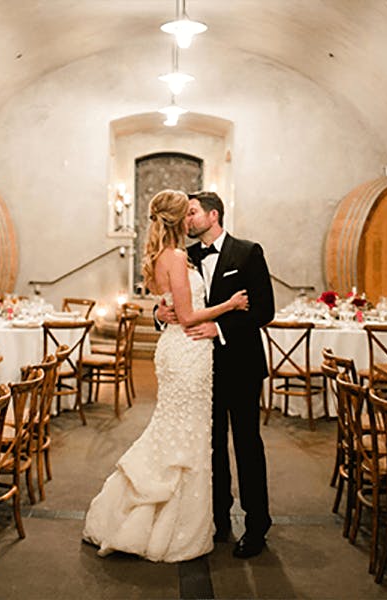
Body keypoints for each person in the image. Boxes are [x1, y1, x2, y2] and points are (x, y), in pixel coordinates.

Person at [82, 190, 249, 562]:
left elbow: (171, 305)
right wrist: (230, 305)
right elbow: (188, 316)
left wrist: (163, 309)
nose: (192, 219)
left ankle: (179, 520)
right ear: (180, 221)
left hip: (184, 351)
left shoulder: (169, 257)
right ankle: (168, 528)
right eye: (188, 213)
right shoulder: (175, 257)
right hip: (187, 351)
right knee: (185, 434)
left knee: (182, 432)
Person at [157, 190, 275, 558]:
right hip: (199, 369)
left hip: (240, 365)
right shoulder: (185, 257)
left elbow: (264, 311)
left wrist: (220, 328)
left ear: (213, 215)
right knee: (210, 446)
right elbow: (171, 303)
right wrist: (158, 317)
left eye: (192, 213)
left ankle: (257, 525)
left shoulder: (248, 251)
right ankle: (217, 517)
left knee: (246, 443)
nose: (187, 220)